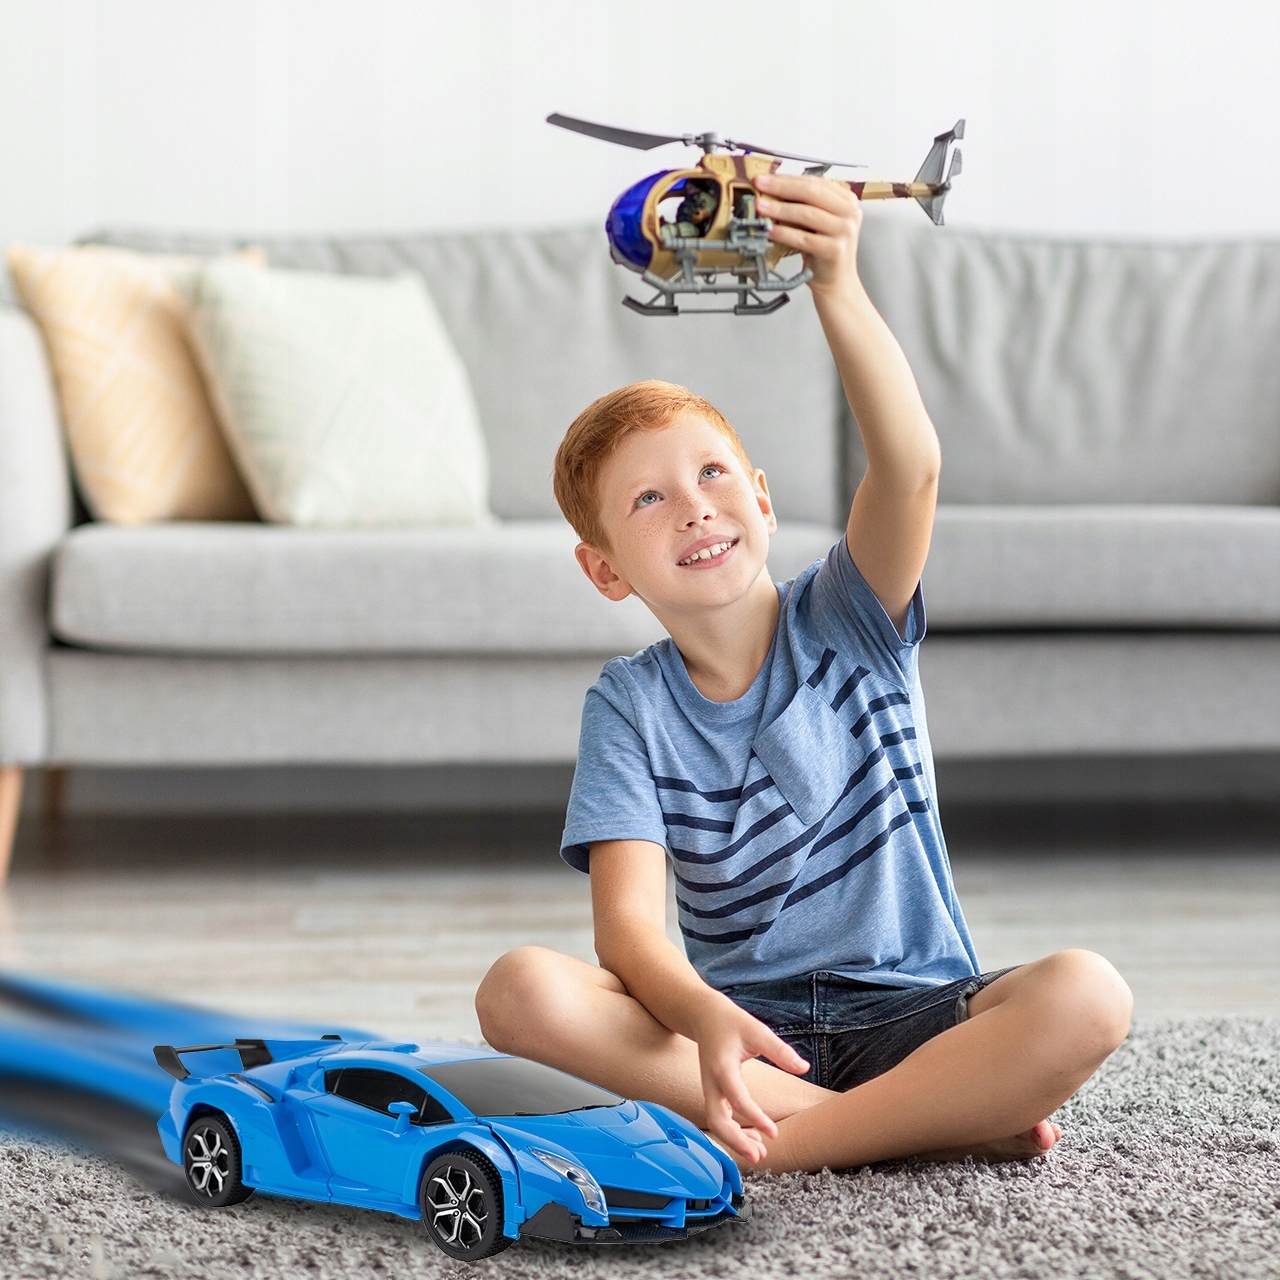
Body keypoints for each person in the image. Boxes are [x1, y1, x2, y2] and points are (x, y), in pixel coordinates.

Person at [476, 171, 1133, 1173]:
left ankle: (792, 1142)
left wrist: (837, 282)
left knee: (1088, 993)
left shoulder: (848, 614)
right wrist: (705, 1020)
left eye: (710, 474)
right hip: (741, 1033)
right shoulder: (628, 704)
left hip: (918, 1015)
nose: (693, 507)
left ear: (762, 500)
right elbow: (629, 937)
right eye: (647, 500)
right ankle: (927, 1119)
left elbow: (910, 467)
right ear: (604, 570)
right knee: (519, 988)